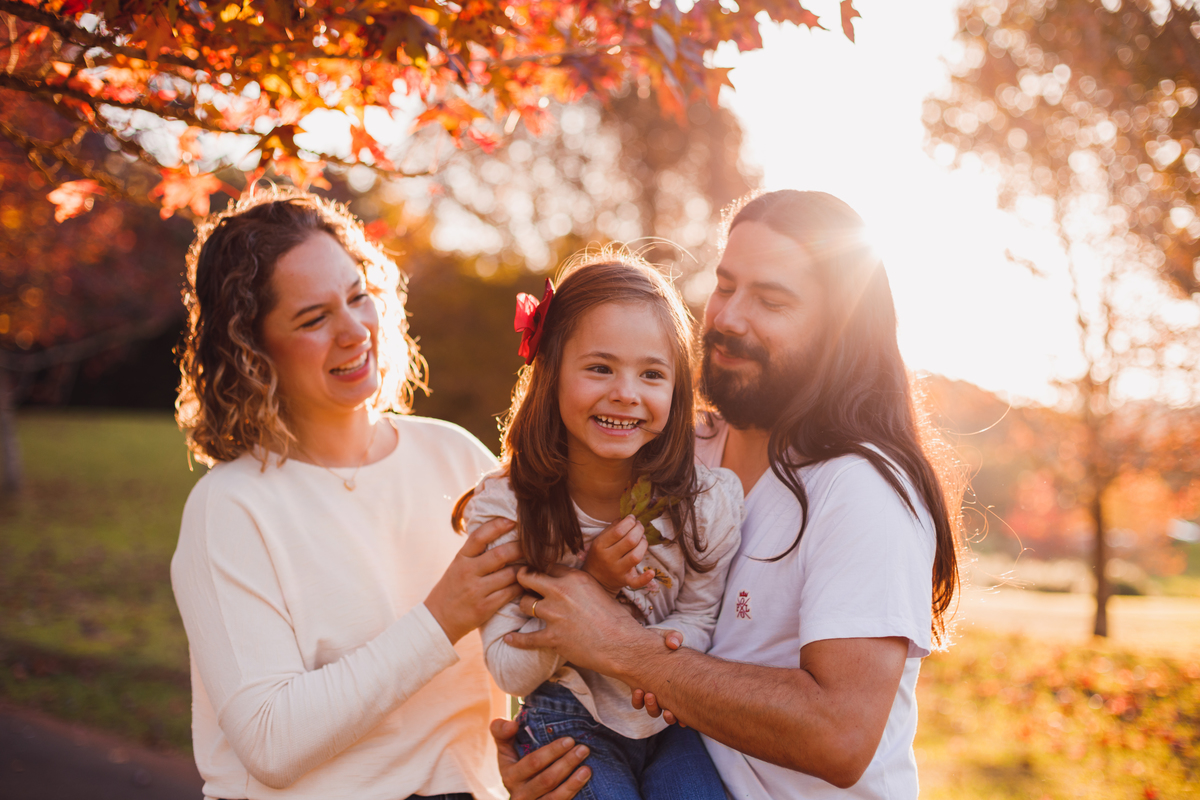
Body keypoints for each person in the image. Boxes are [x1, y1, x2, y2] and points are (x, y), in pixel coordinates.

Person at [493, 190, 964, 799]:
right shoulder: (672, 450)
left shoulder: (861, 489)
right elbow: (560, 608)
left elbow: (840, 736)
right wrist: (553, 759)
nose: (728, 317)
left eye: (771, 300)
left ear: (839, 331)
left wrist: (628, 650)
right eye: (725, 285)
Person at [169, 187, 587, 800]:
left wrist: (518, 766)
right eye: (313, 318)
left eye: (358, 296)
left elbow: (529, 648)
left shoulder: (456, 456)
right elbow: (270, 741)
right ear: (252, 350)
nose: (353, 330)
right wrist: (442, 618)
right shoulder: (229, 509)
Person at [457, 256, 743, 800]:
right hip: (568, 719)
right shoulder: (506, 511)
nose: (626, 392)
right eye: (600, 368)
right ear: (551, 371)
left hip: (676, 717)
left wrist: (640, 657)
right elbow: (510, 672)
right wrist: (592, 584)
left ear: (677, 388)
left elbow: (702, 618)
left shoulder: (705, 504)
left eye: (652, 374)